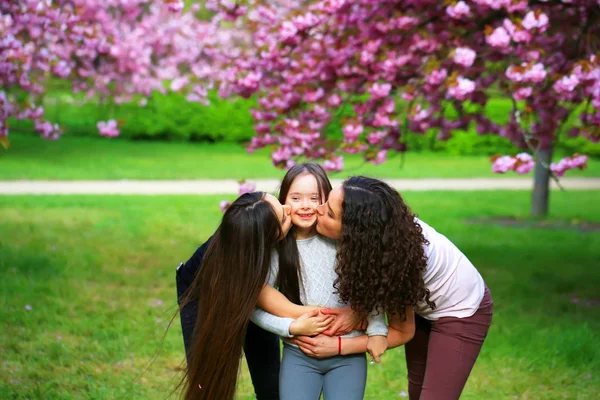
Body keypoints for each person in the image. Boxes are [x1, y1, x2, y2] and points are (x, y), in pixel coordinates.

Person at [293, 176, 494, 400]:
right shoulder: (374, 238)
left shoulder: (393, 260)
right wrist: (355, 311)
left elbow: (402, 331)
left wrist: (338, 346)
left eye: (329, 213)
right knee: (418, 392)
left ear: (354, 230)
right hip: (423, 304)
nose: (317, 210)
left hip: (462, 311)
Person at [249, 163, 406, 400]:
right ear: (284, 201)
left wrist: (376, 329)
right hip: (300, 354)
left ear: (329, 202)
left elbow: (371, 285)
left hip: (347, 357)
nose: (305, 205)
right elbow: (253, 307)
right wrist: (290, 327)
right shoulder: (278, 250)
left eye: (315, 198)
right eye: (296, 197)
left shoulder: (345, 243)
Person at [176, 191, 294, 400]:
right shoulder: (237, 259)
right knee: (208, 382)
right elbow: (279, 308)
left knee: (271, 384)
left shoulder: (253, 227)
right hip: (201, 294)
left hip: (248, 289)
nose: (289, 208)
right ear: (267, 239)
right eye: (284, 218)